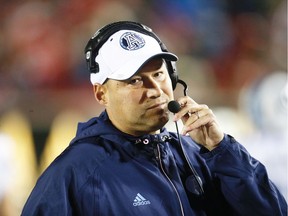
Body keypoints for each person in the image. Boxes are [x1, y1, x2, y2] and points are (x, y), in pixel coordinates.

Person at [21, 21, 287, 216]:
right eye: (134, 80)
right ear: (101, 93)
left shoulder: (199, 155)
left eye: (159, 75)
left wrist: (223, 150)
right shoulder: (76, 173)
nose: (154, 90)